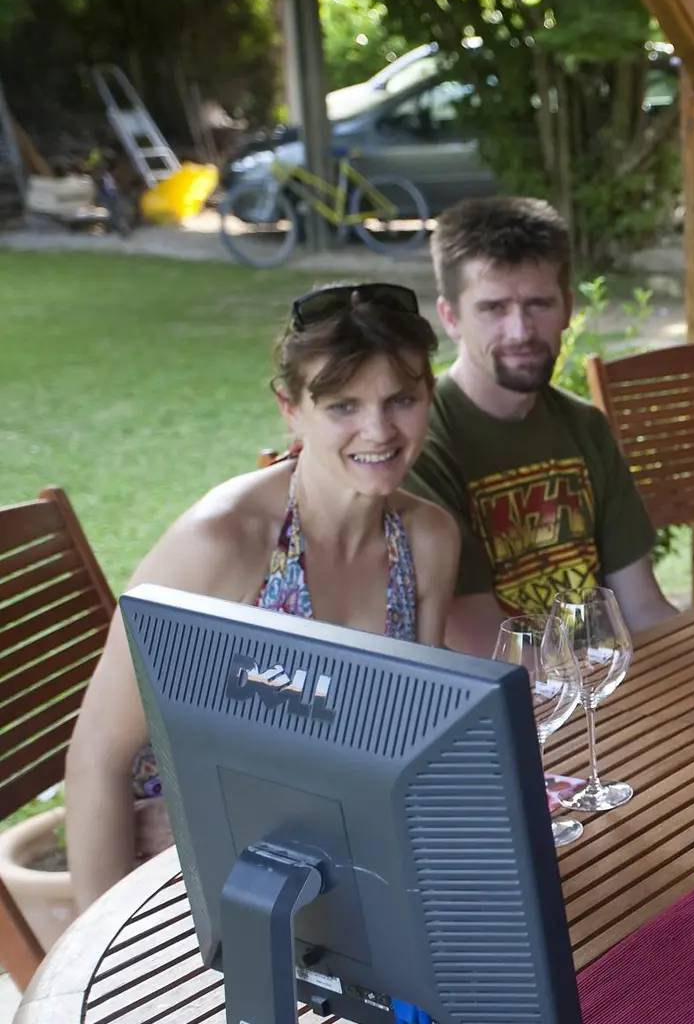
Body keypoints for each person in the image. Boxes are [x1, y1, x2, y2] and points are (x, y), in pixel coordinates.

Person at [65, 283, 461, 908]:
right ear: (290, 408)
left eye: (401, 399)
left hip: (337, 864)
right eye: (341, 406)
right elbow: (97, 760)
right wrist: (104, 972)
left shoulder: (428, 540)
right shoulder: (222, 545)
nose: (378, 429)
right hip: (185, 878)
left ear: (428, 397)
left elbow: (415, 745)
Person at [404, 196, 678, 656]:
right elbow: (485, 646)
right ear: (450, 318)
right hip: (517, 703)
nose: (520, 332)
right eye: (493, 308)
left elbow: (642, 605)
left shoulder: (585, 427)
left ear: (568, 307)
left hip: (605, 686)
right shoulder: (425, 441)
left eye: (538, 304)